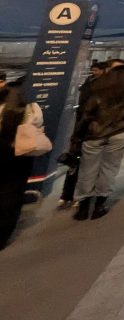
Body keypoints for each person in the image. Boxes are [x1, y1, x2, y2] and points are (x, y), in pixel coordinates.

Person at [73, 60, 124, 220]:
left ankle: (83, 206)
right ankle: (100, 205)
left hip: (94, 134)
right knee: (110, 169)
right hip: (119, 134)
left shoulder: (98, 91)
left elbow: (86, 115)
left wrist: (78, 136)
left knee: (87, 169)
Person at [0, 75, 42, 250]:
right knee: (12, 194)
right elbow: (37, 125)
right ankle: (3, 234)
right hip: (20, 154)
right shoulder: (31, 106)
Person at [59, 60, 108, 207]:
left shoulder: (102, 87)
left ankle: (79, 195)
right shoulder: (91, 83)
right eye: (93, 70)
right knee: (77, 162)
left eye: (97, 70)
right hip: (85, 128)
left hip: (91, 129)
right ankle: (69, 194)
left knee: (86, 163)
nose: (94, 72)